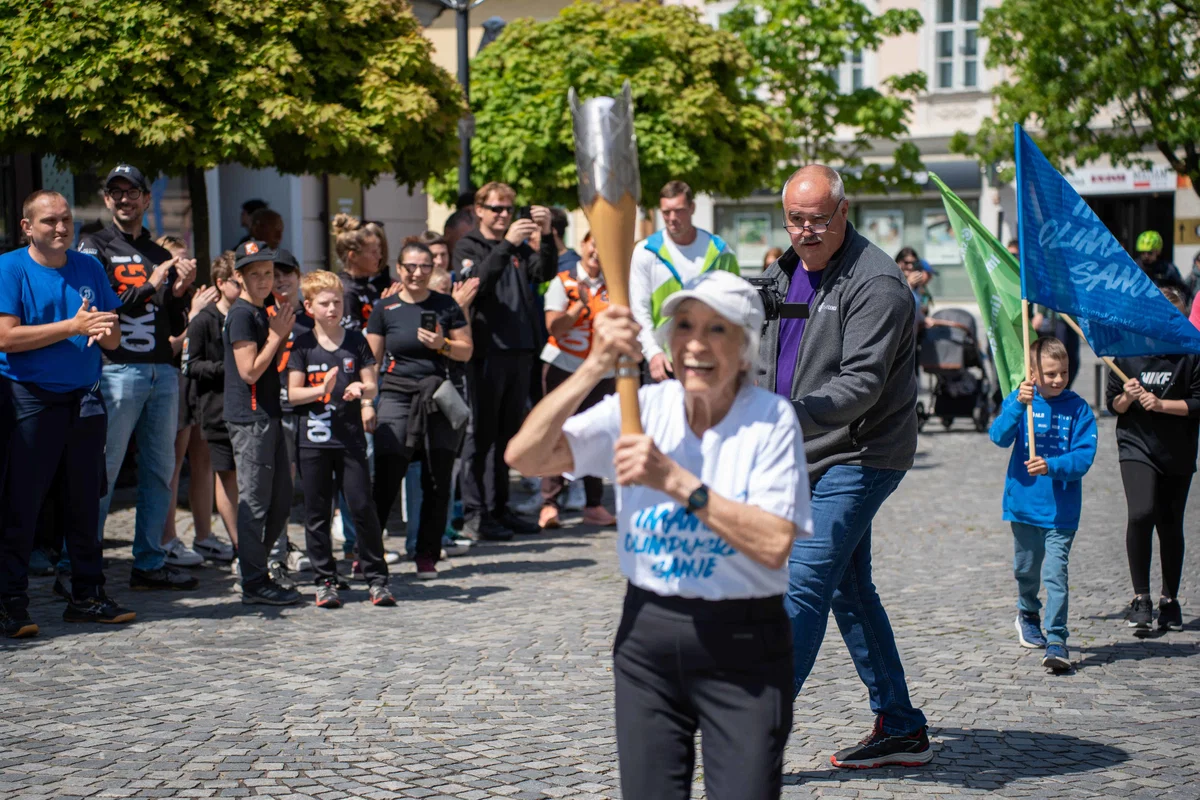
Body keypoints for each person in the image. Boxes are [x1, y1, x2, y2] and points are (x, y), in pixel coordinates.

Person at [506, 271, 811, 800]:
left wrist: (671, 480)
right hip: (648, 636)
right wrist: (594, 367)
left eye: (717, 329)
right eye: (684, 325)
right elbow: (526, 456)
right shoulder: (642, 407)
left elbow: (773, 542)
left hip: (743, 643)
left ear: (746, 348)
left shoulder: (771, 420)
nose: (695, 343)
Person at [756, 165, 932, 768]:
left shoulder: (877, 282)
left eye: (817, 220)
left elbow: (861, 383)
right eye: (794, 220)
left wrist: (788, 417)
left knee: (803, 584)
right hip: (803, 450)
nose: (805, 232)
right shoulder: (783, 272)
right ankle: (902, 726)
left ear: (844, 210)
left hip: (861, 453)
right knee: (851, 591)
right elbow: (765, 352)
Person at [0, 190, 135, 636]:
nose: (60, 228)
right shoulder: (10, 268)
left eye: (66, 220)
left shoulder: (89, 267)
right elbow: (6, 338)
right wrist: (73, 326)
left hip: (84, 397)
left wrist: (105, 327)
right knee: (23, 503)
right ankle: (10, 604)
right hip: (29, 397)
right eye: (49, 222)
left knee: (84, 501)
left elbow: (113, 342)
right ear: (27, 227)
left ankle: (87, 596)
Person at [77, 164, 199, 592]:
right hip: (118, 371)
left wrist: (181, 291)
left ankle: (149, 561)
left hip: (161, 371)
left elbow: (168, 314)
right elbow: (104, 306)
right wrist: (152, 283)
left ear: (148, 199)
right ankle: (80, 567)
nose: (124, 199)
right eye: (116, 193)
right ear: (107, 199)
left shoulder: (159, 252)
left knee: (160, 471)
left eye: (133, 192)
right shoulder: (92, 246)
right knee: (103, 471)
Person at [452, 182, 558, 541]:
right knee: (480, 437)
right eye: (495, 208)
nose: (502, 215)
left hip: (520, 348)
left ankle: (499, 508)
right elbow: (477, 283)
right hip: (486, 350)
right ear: (478, 210)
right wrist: (508, 242)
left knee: (508, 437)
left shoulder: (517, 248)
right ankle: (476, 513)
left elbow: (543, 273)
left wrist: (545, 236)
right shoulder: (470, 246)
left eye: (508, 209)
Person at [288, 270, 395, 608]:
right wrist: (321, 389)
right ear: (309, 307)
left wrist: (360, 389)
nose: (333, 308)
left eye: (337, 301)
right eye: (325, 303)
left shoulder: (356, 340)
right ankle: (325, 580)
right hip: (313, 440)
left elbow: (372, 383)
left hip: (349, 439)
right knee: (317, 512)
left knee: (362, 506)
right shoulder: (302, 344)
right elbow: (292, 394)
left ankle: (376, 577)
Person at [989, 338, 1097, 671]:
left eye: (1063, 372)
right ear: (1033, 373)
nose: (1058, 379)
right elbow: (998, 436)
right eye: (1050, 373)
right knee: (1026, 569)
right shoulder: (1021, 401)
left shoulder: (1079, 409)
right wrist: (1016, 406)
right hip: (1023, 505)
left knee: (1056, 575)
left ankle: (1057, 641)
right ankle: (1027, 612)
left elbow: (1084, 457)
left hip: (1061, 511)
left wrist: (1053, 465)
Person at [368, 241, 473, 579]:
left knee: (437, 478)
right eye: (410, 267)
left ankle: (427, 553)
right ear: (399, 269)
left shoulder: (447, 305)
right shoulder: (384, 308)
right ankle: (369, 554)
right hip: (397, 395)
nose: (417, 273)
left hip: (438, 395)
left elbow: (466, 351)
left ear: (433, 270)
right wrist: (366, 402)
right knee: (387, 473)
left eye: (424, 266)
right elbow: (371, 361)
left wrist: (441, 343)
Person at [1107, 286, 1200, 633]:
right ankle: (1141, 597)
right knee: (1142, 512)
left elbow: (1198, 403)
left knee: (1170, 523)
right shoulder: (1127, 351)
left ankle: (1169, 600)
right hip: (1136, 445)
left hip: (1177, 449)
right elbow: (1112, 403)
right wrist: (1127, 399)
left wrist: (1161, 405)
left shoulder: (1191, 353)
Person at [224, 239, 302, 606]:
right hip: (250, 417)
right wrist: (276, 336)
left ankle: (256, 567)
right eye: (255, 274)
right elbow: (250, 371)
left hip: (270, 414)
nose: (263, 280)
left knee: (281, 500)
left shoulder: (264, 308)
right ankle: (253, 579)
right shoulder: (241, 314)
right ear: (239, 277)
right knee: (255, 502)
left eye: (268, 273)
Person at [536, 232, 617, 530]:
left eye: (603, 245)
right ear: (582, 246)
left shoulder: (614, 284)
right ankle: (549, 504)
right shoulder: (563, 281)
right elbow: (553, 327)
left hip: (601, 371)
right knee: (556, 431)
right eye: (593, 244)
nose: (597, 251)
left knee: (596, 434)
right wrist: (579, 307)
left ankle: (593, 505)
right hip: (564, 367)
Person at [157, 235, 229, 568]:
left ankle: (204, 536)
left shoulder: (194, 295)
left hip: (200, 387)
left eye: (188, 260)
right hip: (173, 382)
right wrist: (196, 317)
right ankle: (167, 538)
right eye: (176, 262)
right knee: (172, 464)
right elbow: (169, 347)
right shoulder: (161, 299)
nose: (185, 268)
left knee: (205, 462)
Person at [629, 181, 739, 383]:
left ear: (692, 208)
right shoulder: (646, 252)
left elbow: (736, 309)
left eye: (678, 211)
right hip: (662, 362)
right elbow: (639, 309)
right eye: (666, 212)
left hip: (709, 357)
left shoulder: (719, 251)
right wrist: (652, 352)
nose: (672, 219)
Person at [182, 252, 241, 560]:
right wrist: (228, 368)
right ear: (221, 283)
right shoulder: (205, 320)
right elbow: (189, 366)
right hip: (215, 408)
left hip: (247, 409)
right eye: (238, 280)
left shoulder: (250, 314)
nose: (245, 286)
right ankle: (237, 545)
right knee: (224, 474)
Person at [333, 214, 385, 332]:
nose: (379, 256)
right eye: (374, 252)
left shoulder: (370, 286)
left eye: (379, 252)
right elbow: (353, 339)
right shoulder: (345, 291)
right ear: (353, 256)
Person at [1134, 230, 1188, 299]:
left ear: (1158, 252)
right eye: (1142, 253)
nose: (1146, 256)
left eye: (1150, 253)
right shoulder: (1134, 267)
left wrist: (1170, 293)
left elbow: (1183, 291)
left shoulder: (1168, 269)